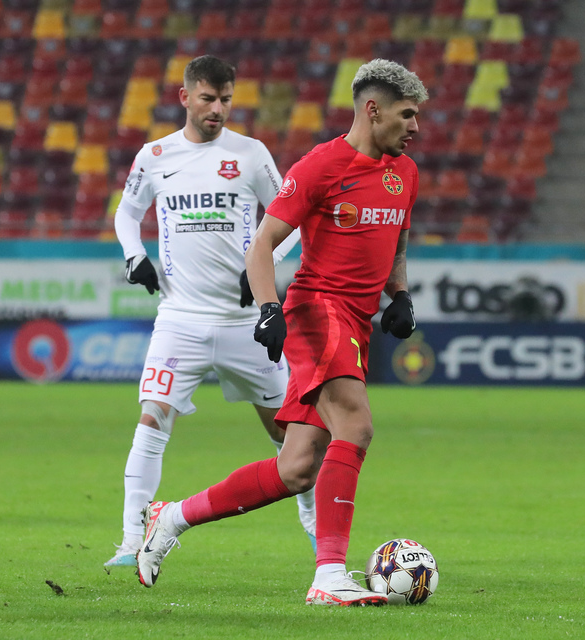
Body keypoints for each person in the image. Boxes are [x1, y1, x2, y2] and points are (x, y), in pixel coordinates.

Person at [134, 58, 426, 607]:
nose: (415, 126)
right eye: (407, 115)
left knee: (295, 470)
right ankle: (329, 575)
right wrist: (270, 309)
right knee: (357, 427)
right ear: (373, 109)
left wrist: (401, 294)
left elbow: (398, 243)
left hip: (357, 322)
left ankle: (171, 517)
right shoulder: (320, 166)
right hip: (320, 312)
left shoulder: (404, 173)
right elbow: (261, 245)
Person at [105, 54, 315, 571]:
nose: (217, 108)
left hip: (247, 324)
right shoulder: (155, 155)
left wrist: (262, 266)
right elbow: (127, 213)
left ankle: (319, 541)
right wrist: (135, 257)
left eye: (225, 99)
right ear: (185, 98)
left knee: (293, 435)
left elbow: (295, 222)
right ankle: (132, 540)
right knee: (152, 417)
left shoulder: (251, 154)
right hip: (180, 319)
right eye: (207, 98)